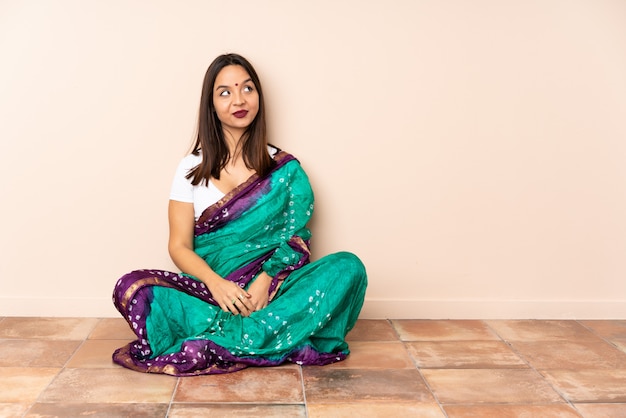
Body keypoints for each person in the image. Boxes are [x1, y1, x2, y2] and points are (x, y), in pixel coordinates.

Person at [112, 53, 367, 376]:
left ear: (258, 96)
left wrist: (264, 282)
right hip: (211, 297)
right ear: (211, 105)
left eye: (247, 88)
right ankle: (266, 339)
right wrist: (218, 285)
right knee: (132, 286)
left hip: (273, 295)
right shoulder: (190, 168)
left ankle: (226, 341)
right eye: (225, 92)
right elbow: (179, 246)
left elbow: (297, 237)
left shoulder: (285, 170)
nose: (238, 99)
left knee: (348, 267)